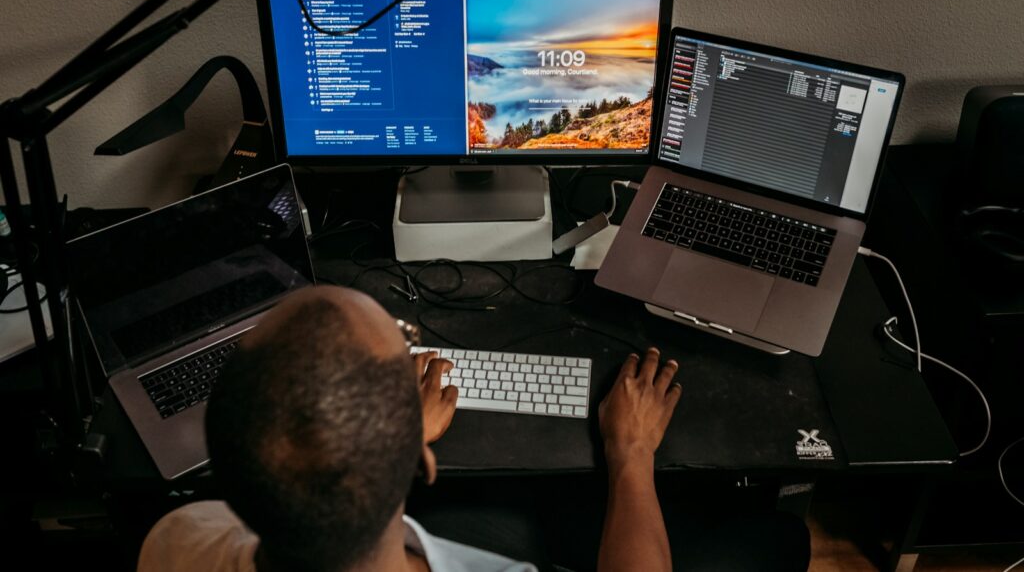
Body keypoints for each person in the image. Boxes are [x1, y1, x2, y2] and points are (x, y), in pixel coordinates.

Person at [135, 285, 791, 572]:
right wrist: (632, 451)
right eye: (401, 348)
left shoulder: (175, 537)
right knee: (773, 536)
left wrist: (383, 434)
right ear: (423, 461)